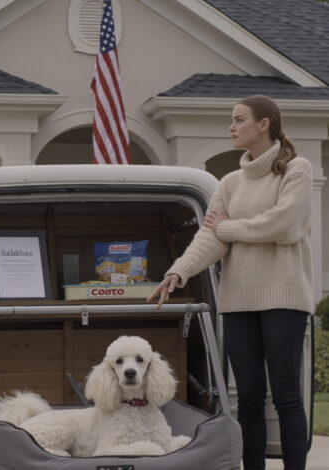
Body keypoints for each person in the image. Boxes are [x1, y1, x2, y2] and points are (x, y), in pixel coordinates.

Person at [147, 95, 313, 470]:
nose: (231, 127)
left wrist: (228, 228)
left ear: (264, 124)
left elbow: (284, 225)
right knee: (248, 398)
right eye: (232, 120)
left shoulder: (296, 170)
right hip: (238, 302)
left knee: (286, 395)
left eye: (239, 119)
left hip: (283, 299)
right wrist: (178, 271)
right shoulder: (229, 183)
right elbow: (210, 238)